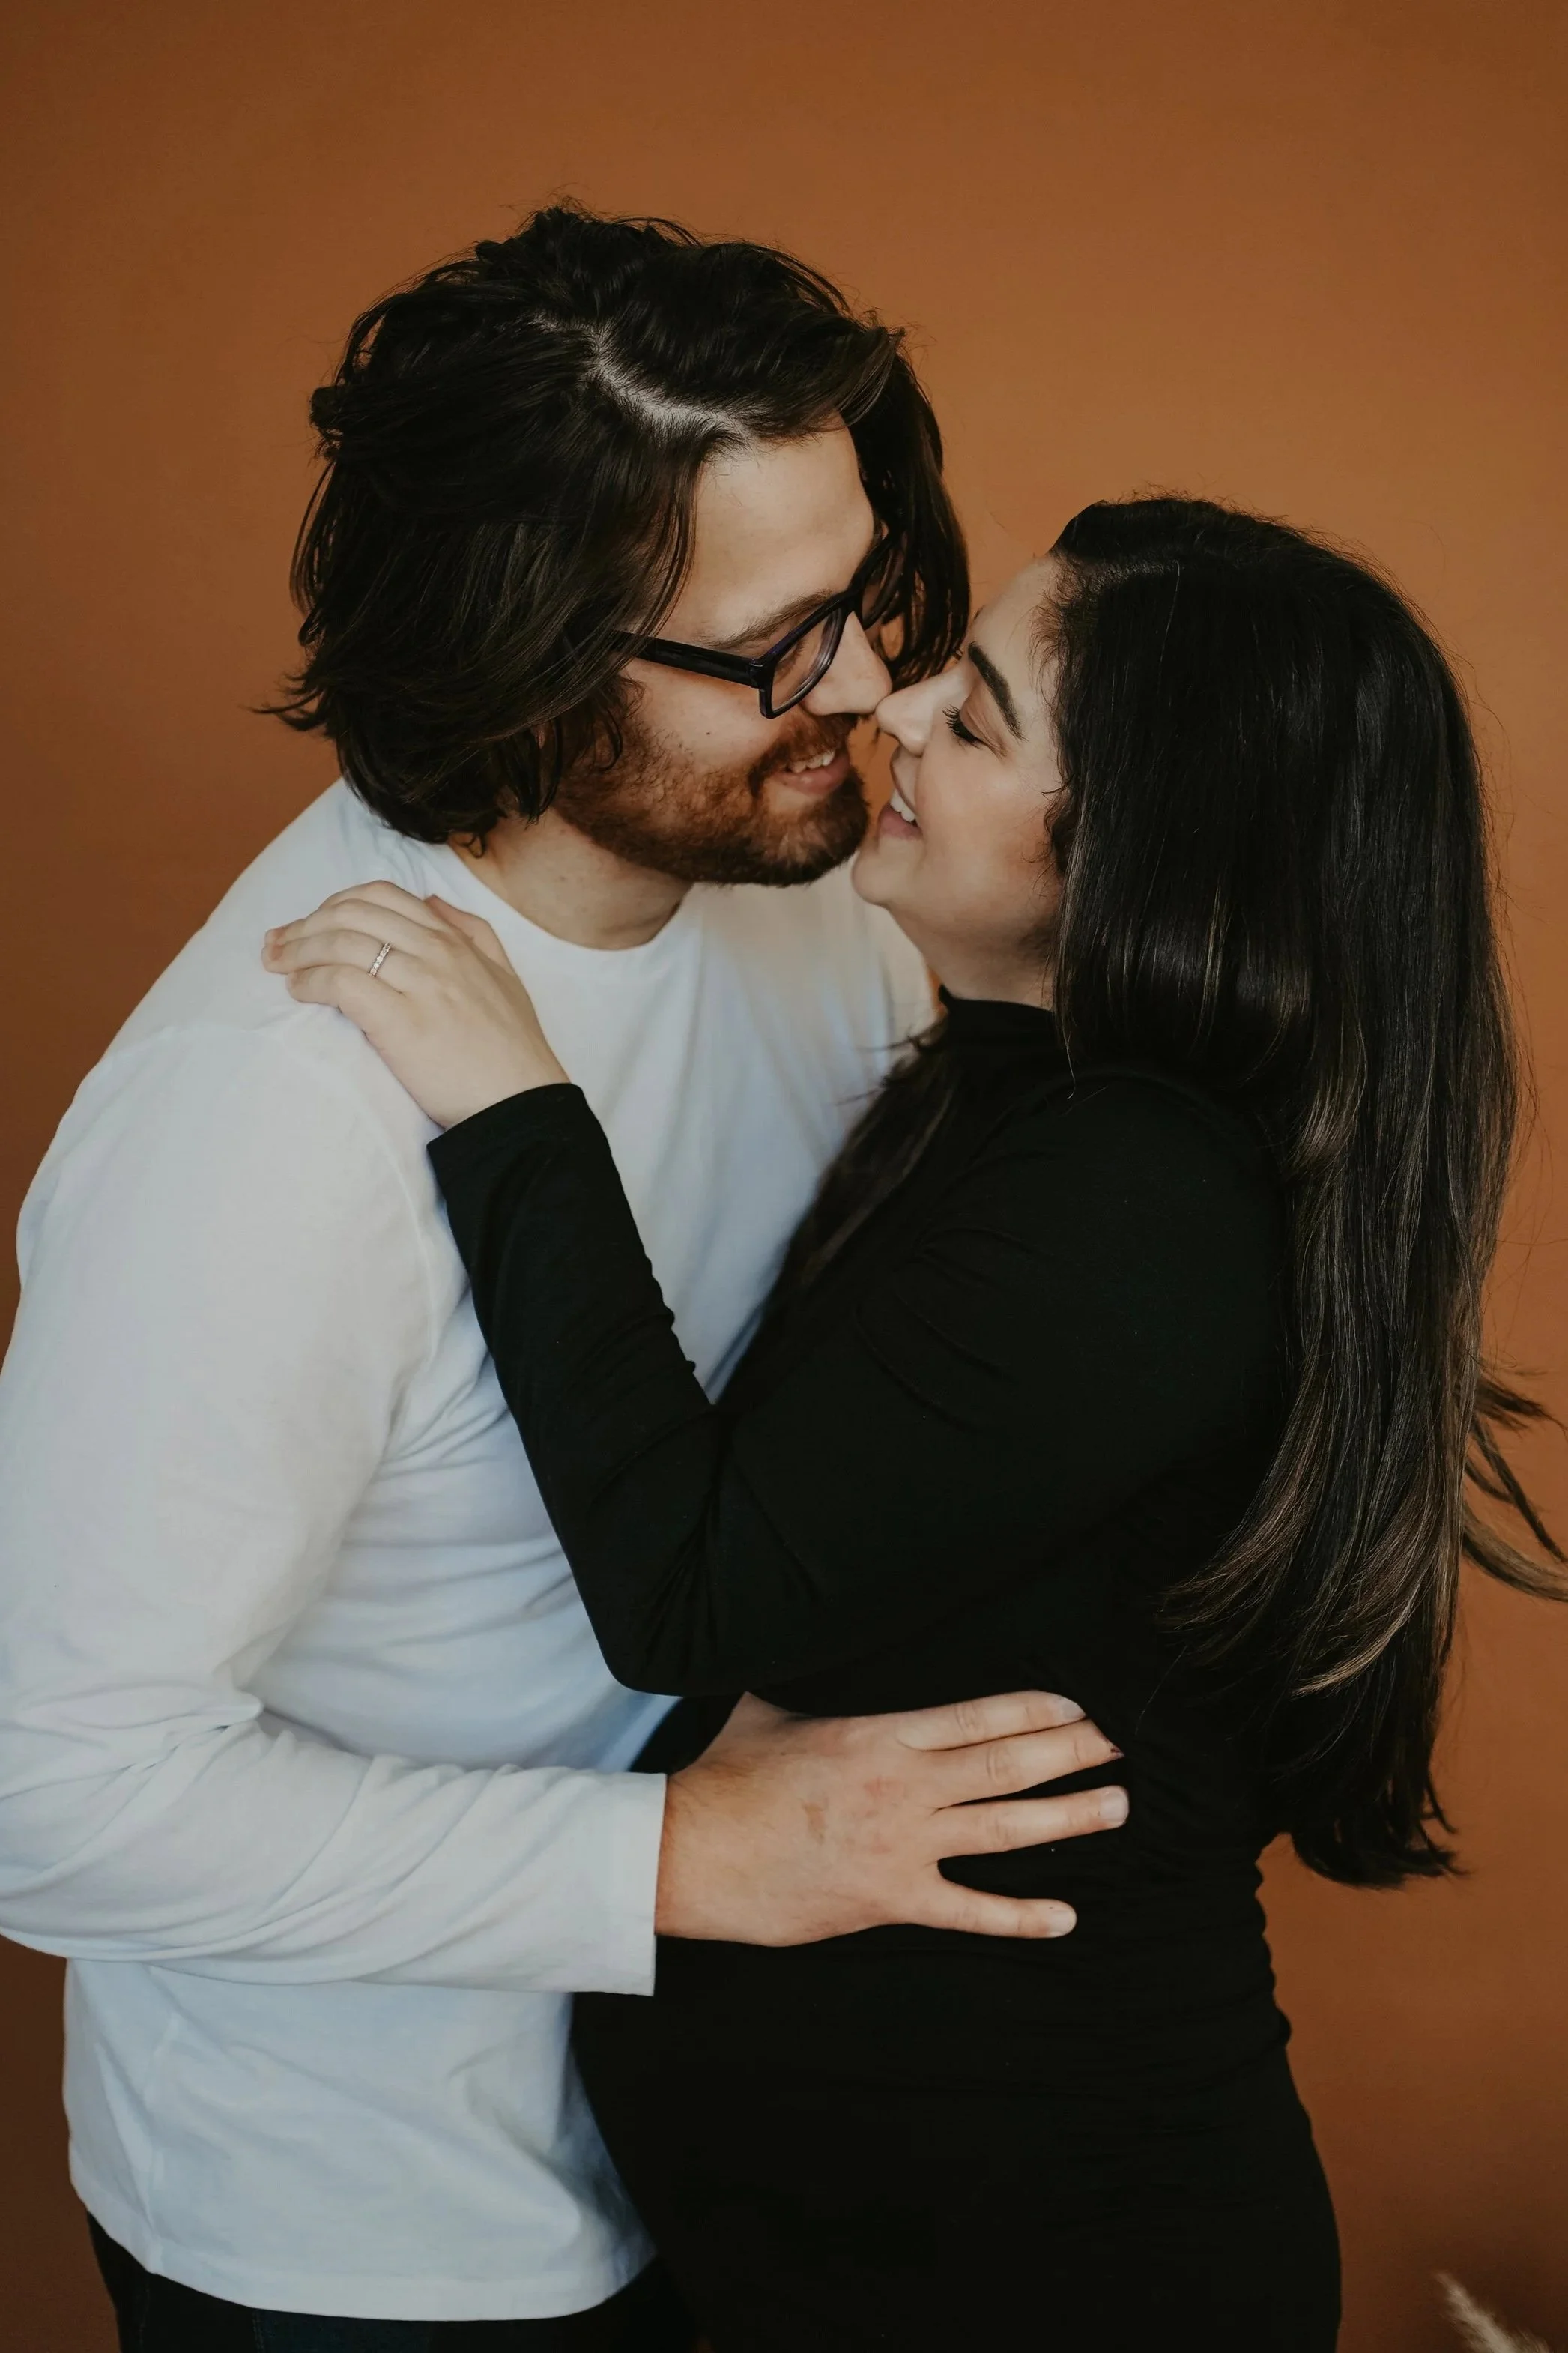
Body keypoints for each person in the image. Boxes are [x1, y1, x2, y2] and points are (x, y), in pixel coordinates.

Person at [0, 209, 1127, 2353]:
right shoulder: (265, 1127)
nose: (875, 690)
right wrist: (684, 1863)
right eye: (780, 644)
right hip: (369, 2237)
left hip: (741, 2153)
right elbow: (39, 1790)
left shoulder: (792, 866)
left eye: (874, 596)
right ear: (525, 653)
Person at [267, 495, 1567, 2352]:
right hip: (869, 2251)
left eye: (978, 721)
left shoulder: (1139, 1198)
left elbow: (693, 1588)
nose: (893, 708)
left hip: (1045, 2273)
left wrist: (510, 1106)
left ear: (1144, 856)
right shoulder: (1023, 1100)